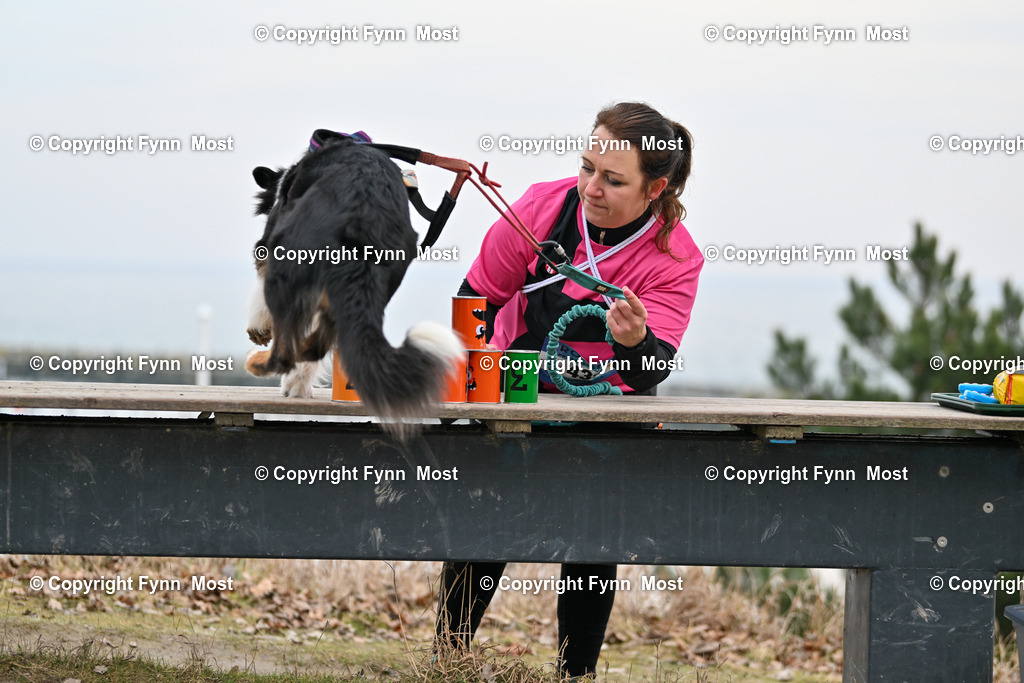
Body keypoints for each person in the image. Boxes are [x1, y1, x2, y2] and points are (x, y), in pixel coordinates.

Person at [435, 102, 703, 678]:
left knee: (591, 540)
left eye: (613, 180)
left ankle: (574, 674)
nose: (591, 188)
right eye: (586, 167)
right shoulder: (540, 207)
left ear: (655, 188)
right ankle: (447, 660)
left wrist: (634, 343)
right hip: (515, 389)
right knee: (485, 520)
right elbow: (474, 300)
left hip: (605, 411)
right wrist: (467, 392)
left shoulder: (675, 256)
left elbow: (650, 371)